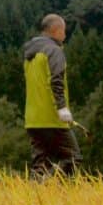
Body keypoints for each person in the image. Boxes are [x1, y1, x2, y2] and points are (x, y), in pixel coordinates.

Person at [23, 13, 82, 179]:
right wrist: (62, 108)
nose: (65, 35)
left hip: (32, 119)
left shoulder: (29, 55)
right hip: (52, 117)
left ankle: (35, 196)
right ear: (56, 30)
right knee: (72, 158)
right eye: (63, 31)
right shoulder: (54, 51)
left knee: (40, 164)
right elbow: (56, 81)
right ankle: (48, 185)